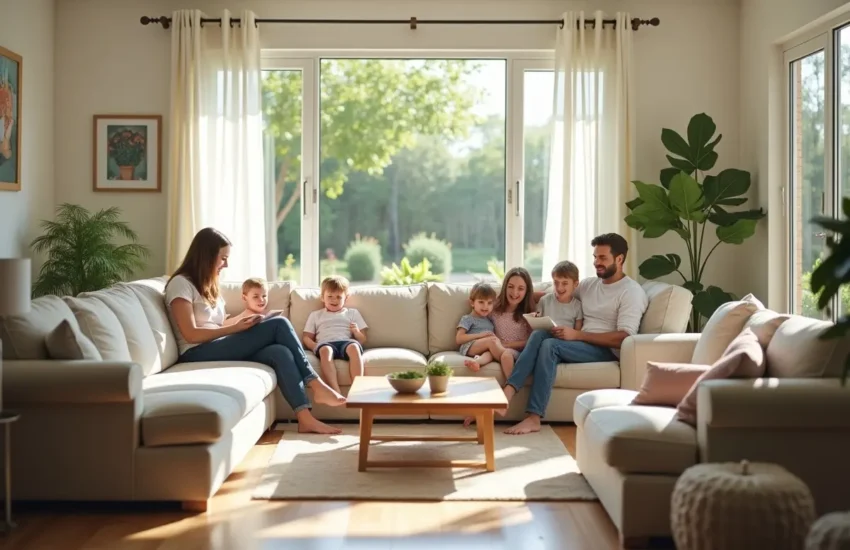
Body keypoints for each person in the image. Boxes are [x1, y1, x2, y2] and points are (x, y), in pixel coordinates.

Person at [164, 227, 346, 435]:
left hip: (215, 344)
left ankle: (305, 419)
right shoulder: (181, 284)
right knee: (279, 324)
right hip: (194, 352)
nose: (226, 264)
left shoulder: (208, 284)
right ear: (206, 255)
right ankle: (315, 382)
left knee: (280, 353)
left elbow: (215, 325)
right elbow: (191, 334)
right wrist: (234, 328)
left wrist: (241, 323)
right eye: (223, 258)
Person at [501, 233, 649, 435]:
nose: (597, 262)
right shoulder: (589, 285)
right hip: (578, 344)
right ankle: (508, 391)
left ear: (620, 259)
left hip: (604, 350)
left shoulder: (631, 292)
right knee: (538, 335)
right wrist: (519, 296)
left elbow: (624, 337)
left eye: (603, 258)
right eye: (595, 257)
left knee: (550, 345)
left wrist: (578, 335)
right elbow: (557, 295)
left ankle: (533, 417)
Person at [462, 267, 537, 428]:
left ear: (527, 291)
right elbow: (478, 315)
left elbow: (531, 341)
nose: (515, 292)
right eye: (510, 286)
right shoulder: (494, 307)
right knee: (496, 351)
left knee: (506, 354)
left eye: (521, 288)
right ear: (504, 287)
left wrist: (508, 345)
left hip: (515, 352)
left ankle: (506, 396)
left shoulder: (529, 313)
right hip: (496, 348)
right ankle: (487, 407)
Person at [302, 275, 368, 394]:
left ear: (346, 298)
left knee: (354, 347)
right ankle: (334, 389)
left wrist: (356, 332)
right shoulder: (316, 315)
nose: (334, 300)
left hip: (346, 342)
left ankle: (357, 388)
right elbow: (306, 337)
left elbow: (363, 339)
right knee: (325, 350)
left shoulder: (352, 313)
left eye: (339, 297)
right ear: (322, 297)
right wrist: (314, 346)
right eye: (330, 296)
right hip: (325, 343)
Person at [456, 282, 505, 372]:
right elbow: (459, 339)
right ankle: (507, 358)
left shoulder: (490, 321)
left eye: (489, 303)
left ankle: (477, 362)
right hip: (470, 346)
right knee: (492, 341)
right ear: (472, 303)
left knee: (490, 353)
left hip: (485, 348)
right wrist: (480, 335)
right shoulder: (468, 318)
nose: (485, 306)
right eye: (481, 302)